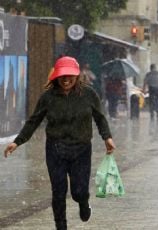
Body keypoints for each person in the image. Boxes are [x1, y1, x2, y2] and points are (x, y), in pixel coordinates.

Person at [3, 56, 116, 230]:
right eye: (62, 76)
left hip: (81, 149)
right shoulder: (48, 97)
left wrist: (107, 137)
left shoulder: (88, 94)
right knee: (58, 191)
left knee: (79, 191)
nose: (66, 80)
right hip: (55, 150)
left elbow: (100, 118)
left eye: (70, 76)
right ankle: (60, 225)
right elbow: (34, 121)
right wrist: (17, 142)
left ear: (77, 76)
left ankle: (83, 202)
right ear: (56, 76)